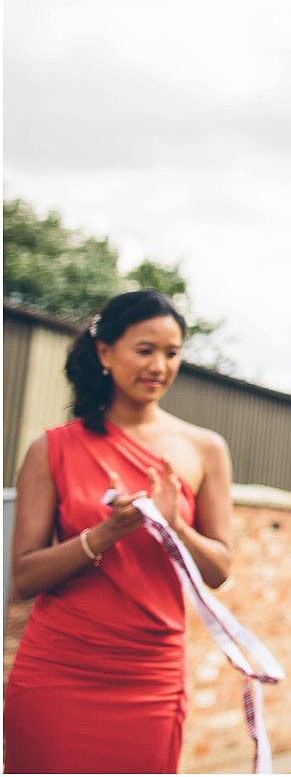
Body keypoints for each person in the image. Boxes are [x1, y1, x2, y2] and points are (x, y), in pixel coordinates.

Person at [5, 288, 236, 773]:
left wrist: (175, 526)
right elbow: (24, 579)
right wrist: (107, 532)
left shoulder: (205, 449)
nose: (159, 366)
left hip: (151, 674)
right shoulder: (51, 450)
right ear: (105, 353)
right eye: (145, 350)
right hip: (58, 672)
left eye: (172, 354)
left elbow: (218, 571)